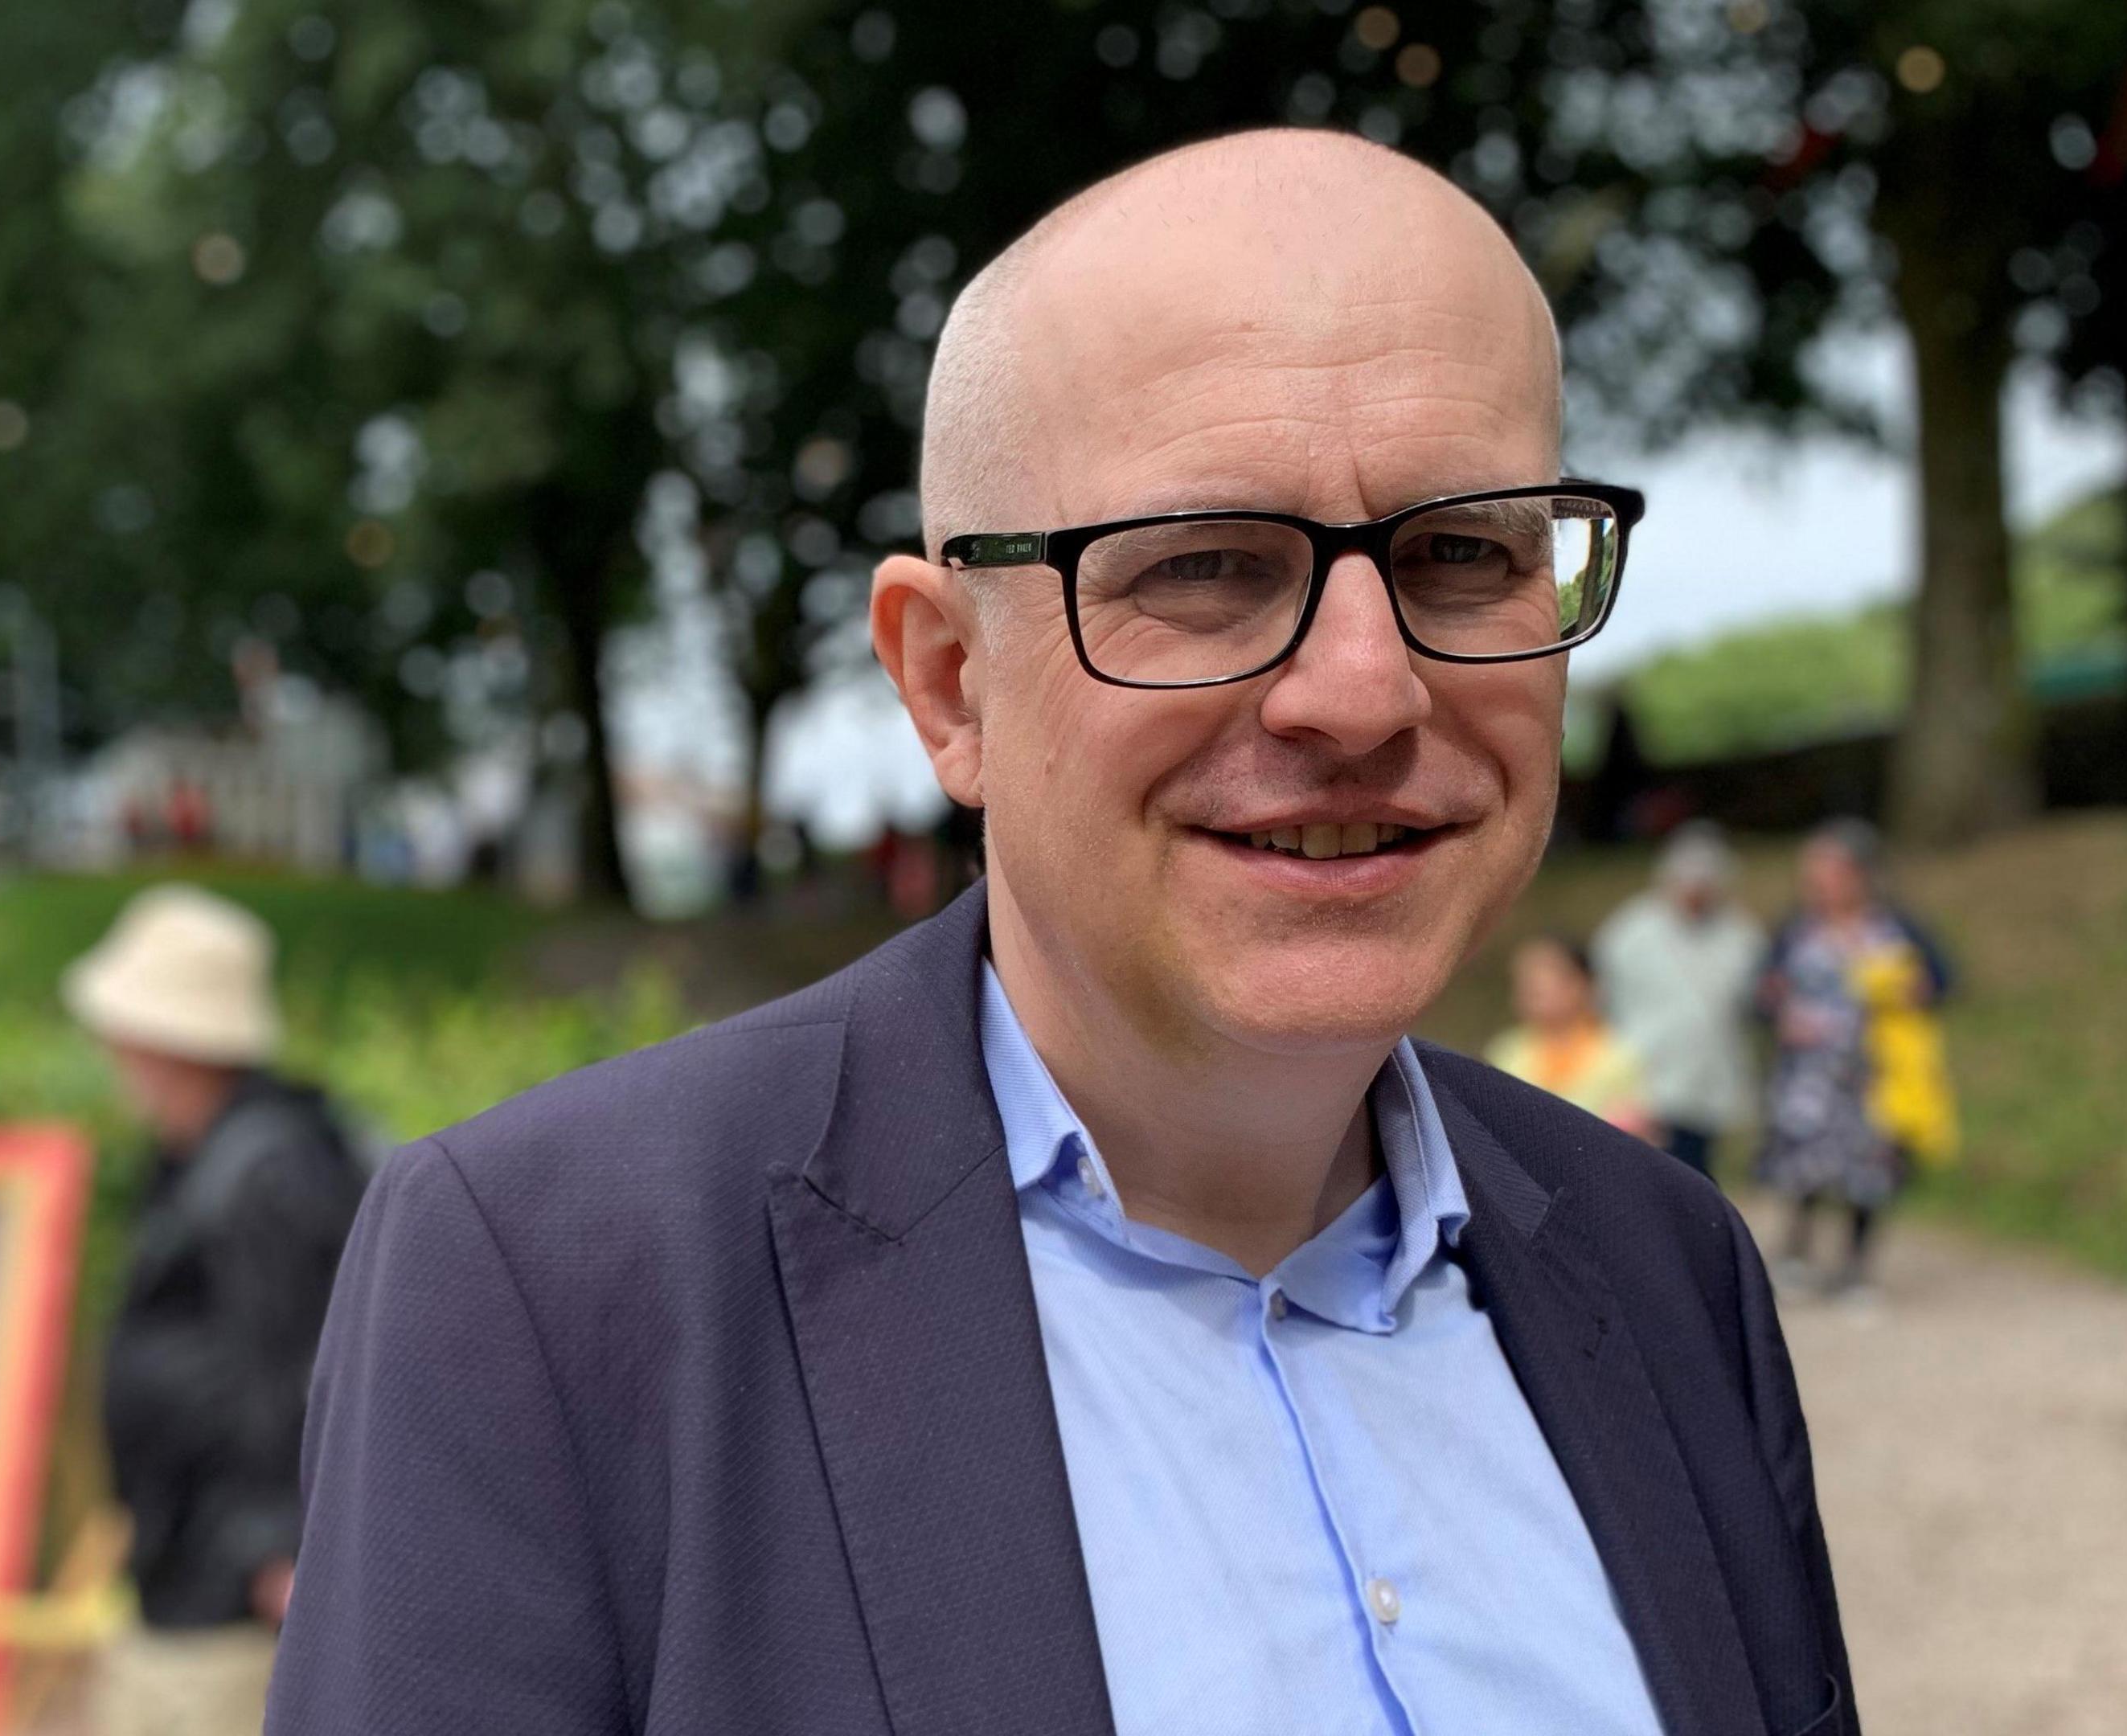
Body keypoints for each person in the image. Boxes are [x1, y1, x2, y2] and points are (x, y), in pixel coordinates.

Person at [269, 132, 1852, 1736]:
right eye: (1210, 567)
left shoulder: (1665, 1269)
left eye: (1463, 553)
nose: (1367, 691)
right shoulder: (556, 1287)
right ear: (950, 683)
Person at [64, 885, 364, 1736]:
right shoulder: (199, 1159)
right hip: (180, 1565)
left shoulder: (270, 1169)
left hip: (234, 1592)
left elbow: (305, 1364)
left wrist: (286, 1547)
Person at [1758, 818, 1957, 1298]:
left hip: (1876, 1075)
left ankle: (1855, 1268)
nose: (1817, 885)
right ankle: (1795, 1255)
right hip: (1811, 1077)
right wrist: (1777, 1009)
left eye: (1827, 873)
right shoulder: (1796, 931)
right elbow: (1761, 990)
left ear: (1859, 875)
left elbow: (1943, 978)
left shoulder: (1895, 929)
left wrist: (1917, 990)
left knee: (1870, 1171)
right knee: (1804, 1165)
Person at [1594, 821, 1768, 1179]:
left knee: (1697, 1171)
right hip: (1645, 1071)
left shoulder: (1741, 936)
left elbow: (1752, 1000)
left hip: (1709, 1075)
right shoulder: (1631, 930)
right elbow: (1603, 994)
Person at [1487, 936, 1658, 1140]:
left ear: (1584, 984)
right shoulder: (1506, 1051)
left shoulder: (1618, 1055)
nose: (1534, 984)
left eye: (1549, 971)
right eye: (1524, 977)